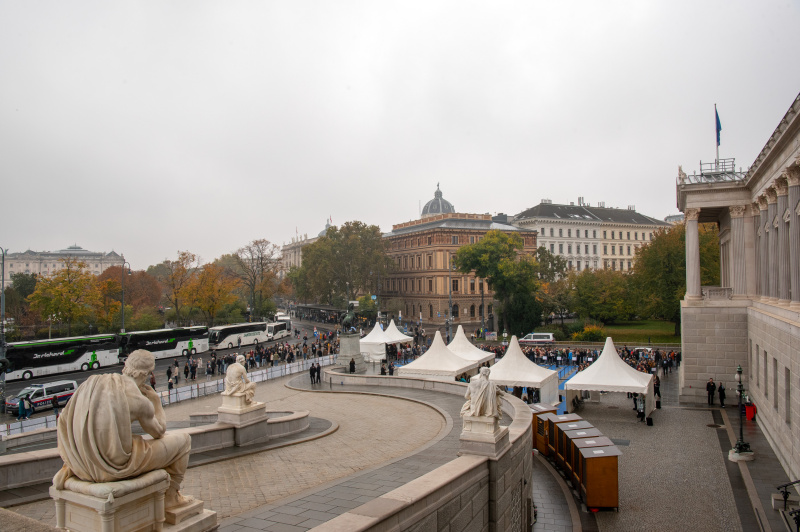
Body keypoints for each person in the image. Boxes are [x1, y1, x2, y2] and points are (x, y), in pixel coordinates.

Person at [53, 349, 194, 510]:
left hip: (82, 463)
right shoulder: (140, 401)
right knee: (184, 441)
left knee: (134, 440)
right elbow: (159, 431)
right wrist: (155, 401)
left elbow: (65, 418)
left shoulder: (94, 382)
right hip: (116, 465)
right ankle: (171, 497)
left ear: (125, 367)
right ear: (145, 374)